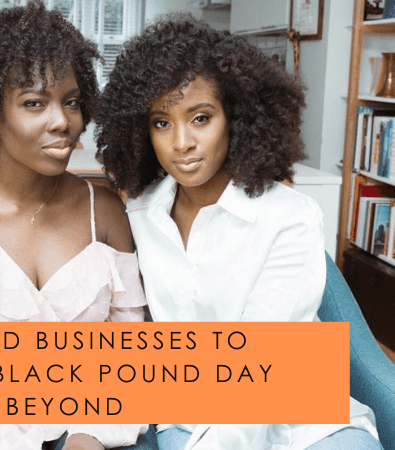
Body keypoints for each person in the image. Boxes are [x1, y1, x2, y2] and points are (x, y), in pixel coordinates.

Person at [96, 13, 381, 450]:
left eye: (201, 118)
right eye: (161, 123)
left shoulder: (291, 216)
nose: (182, 143)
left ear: (237, 116)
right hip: (188, 417)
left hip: (306, 419)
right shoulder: (138, 215)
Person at [0, 3, 150, 450]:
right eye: (34, 103)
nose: (63, 122)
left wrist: (89, 434)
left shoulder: (106, 211)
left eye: (71, 102)